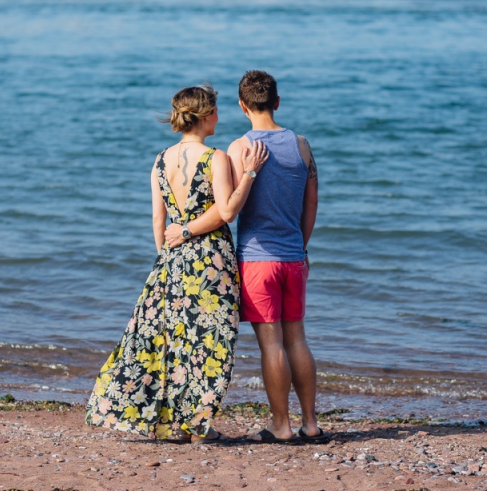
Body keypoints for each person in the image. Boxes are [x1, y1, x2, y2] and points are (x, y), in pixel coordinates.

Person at [85, 83, 268, 443]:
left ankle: (173, 422)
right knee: (210, 342)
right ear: (205, 115)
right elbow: (227, 211)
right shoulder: (214, 157)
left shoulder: (160, 159)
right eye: (216, 110)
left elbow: (158, 220)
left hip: (171, 260)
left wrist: (167, 256)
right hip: (211, 260)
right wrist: (249, 172)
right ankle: (198, 425)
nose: (220, 116)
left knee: (174, 342)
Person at [165, 70, 326, 445]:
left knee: (271, 344)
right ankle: (311, 423)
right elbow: (312, 202)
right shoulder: (301, 145)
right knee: (297, 340)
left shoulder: (238, 148)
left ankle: (280, 424)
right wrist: (300, 248)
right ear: (278, 102)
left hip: (256, 259)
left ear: (242, 106)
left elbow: (230, 205)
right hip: (293, 257)